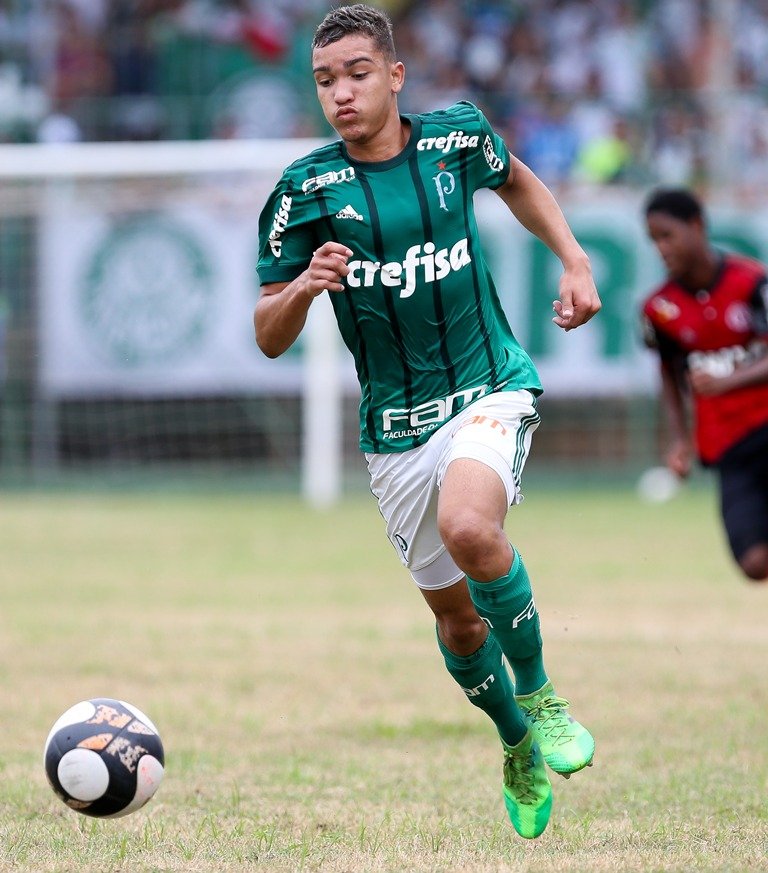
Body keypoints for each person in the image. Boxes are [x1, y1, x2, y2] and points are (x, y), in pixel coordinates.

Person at [255, 4, 600, 840]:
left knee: (473, 527)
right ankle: (516, 740)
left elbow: (516, 178)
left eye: (359, 73)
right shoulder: (305, 190)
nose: (341, 92)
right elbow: (267, 333)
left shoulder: (456, 138)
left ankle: (543, 696)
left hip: (488, 384)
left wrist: (575, 258)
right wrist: (303, 287)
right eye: (326, 80)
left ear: (397, 75)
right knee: (456, 620)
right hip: (396, 431)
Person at [642, 188, 768, 582]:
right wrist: (680, 439)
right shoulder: (658, 308)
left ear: (697, 225)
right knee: (753, 563)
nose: (662, 248)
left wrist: (730, 379)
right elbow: (667, 373)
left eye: (667, 235)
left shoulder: (751, 283)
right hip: (727, 447)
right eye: (654, 240)